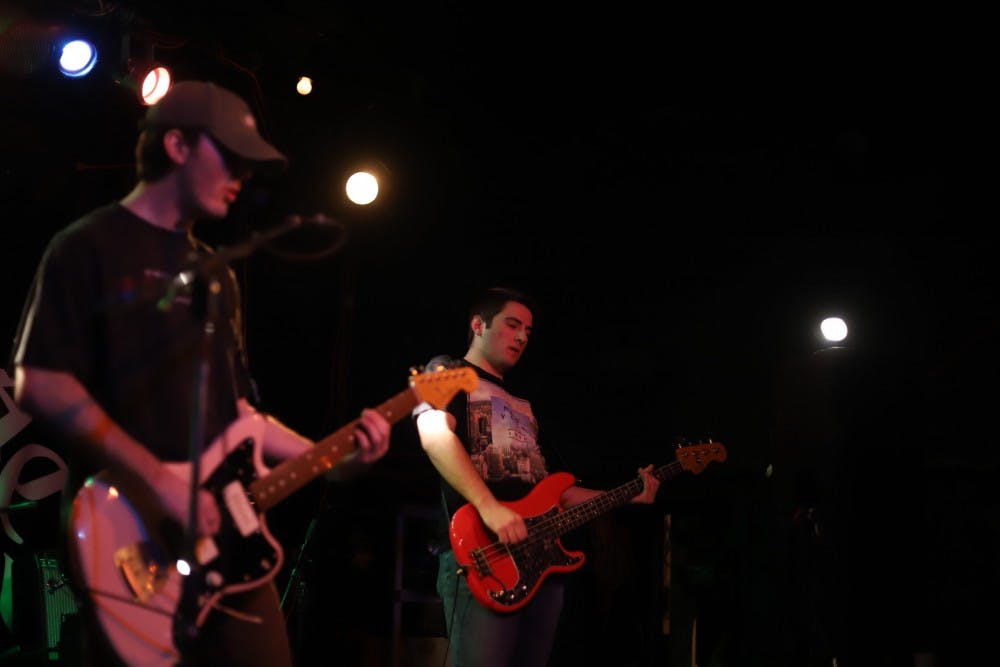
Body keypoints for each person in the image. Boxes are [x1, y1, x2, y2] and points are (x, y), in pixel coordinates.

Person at [9, 80, 392, 666]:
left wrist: (333, 458)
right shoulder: (87, 246)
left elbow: (239, 414)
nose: (242, 175)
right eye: (230, 156)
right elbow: (39, 381)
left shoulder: (215, 275)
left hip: (226, 542)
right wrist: (164, 484)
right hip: (128, 531)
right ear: (179, 146)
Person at [413, 286, 661, 667]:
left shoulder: (524, 406)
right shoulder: (447, 370)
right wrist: (489, 507)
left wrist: (629, 494)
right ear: (478, 325)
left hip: (542, 566)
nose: (523, 336)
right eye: (513, 324)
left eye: (528, 330)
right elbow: (432, 434)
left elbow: (556, 493)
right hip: (485, 554)